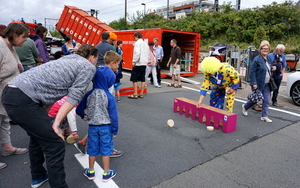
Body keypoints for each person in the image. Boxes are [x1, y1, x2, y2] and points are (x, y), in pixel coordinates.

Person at [2, 44, 98, 188]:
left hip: (11, 92)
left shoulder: (67, 59)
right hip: (24, 98)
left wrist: (46, 117)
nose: (96, 62)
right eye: (97, 59)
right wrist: (56, 124)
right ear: (92, 57)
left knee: (38, 137)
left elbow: (48, 93)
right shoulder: (88, 66)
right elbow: (74, 96)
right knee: (55, 144)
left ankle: (38, 176)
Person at [76, 51, 121, 182]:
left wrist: (83, 115)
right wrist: (115, 129)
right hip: (106, 127)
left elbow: (79, 108)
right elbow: (113, 115)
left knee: (92, 149)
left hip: (92, 127)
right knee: (106, 150)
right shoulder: (109, 96)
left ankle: (90, 171)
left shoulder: (89, 94)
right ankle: (106, 173)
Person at [0, 23, 28, 170]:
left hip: (6, 97)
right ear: (15, 35)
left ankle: (7, 147)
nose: (25, 40)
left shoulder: (10, 47)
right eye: (24, 37)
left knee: (4, 122)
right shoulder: (0, 46)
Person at [242, 42, 276, 123]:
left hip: (267, 83)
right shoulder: (257, 59)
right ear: (260, 50)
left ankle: (264, 116)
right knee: (255, 99)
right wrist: (254, 83)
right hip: (258, 83)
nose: (265, 50)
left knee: (267, 100)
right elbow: (252, 72)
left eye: (267, 49)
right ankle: (245, 107)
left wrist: (272, 68)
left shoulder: (269, 59)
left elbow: (268, 68)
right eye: (264, 49)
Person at [128, 32, 149, 99]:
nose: (134, 39)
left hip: (138, 63)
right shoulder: (145, 44)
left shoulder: (137, 43)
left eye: (134, 37)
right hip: (144, 63)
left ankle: (135, 93)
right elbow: (148, 54)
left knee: (134, 79)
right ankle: (141, 93)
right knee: (143, 79)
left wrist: (134, 62)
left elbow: (137, 53)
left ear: (136, 36)